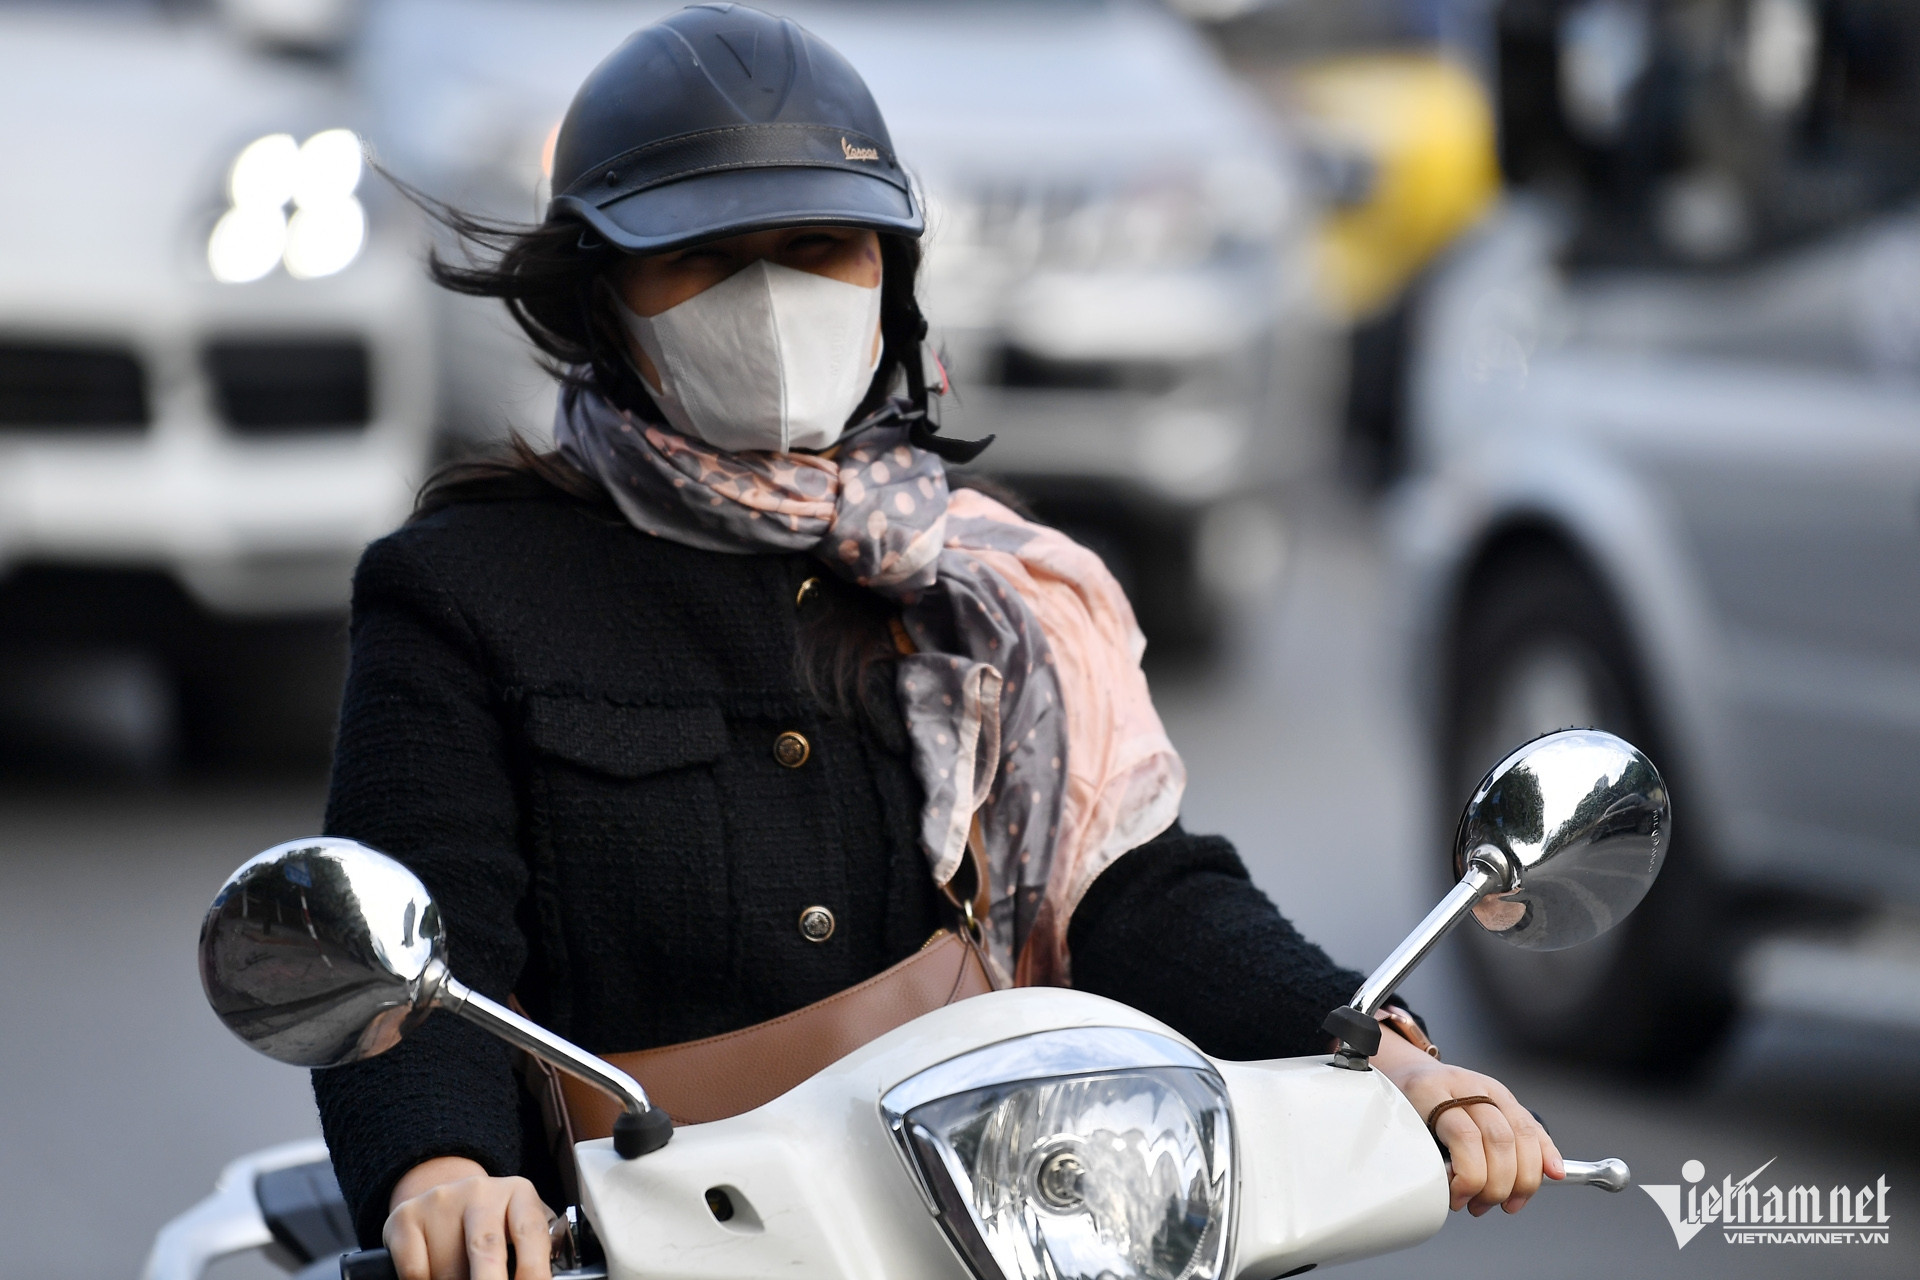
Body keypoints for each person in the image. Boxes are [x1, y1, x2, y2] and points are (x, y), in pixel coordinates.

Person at [314, 8, 1563, 1280]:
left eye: (816, 247)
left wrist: (1387, 1054)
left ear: (889, 280)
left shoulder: (983, 585)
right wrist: (443, 1170)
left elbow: (1136, 895)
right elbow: (412, 951)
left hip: (988, 1223)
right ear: (603, 297)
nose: (769, 295)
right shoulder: (461, 589)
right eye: (702, 257)